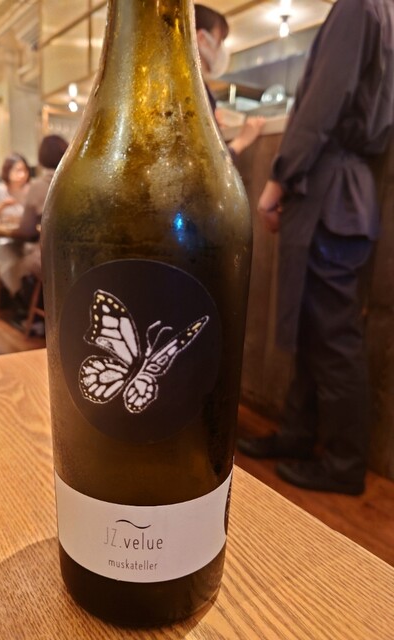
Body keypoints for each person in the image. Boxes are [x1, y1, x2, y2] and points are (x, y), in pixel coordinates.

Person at [238, 0, 394, 495]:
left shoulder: (358, 6)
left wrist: (278, 180)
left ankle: (345, 463)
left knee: (331, 331)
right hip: (344, 192)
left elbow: (322, 105)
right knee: (315, 325)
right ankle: (298, 433)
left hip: (331, 193)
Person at [0, 135, 68, 320]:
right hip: (78, 256)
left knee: (12, 259)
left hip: (51, 257)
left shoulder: (40, 185)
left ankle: (28, 309)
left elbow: (26, 230)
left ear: (42, 157)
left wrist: (14, 230)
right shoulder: (77, 180)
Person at [194, 4, 265, 160]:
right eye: (220, 41)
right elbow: (205, 164)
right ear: (202, 39)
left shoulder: (198, 88)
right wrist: (241, 141)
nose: (222, 49)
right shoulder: (192, 91)